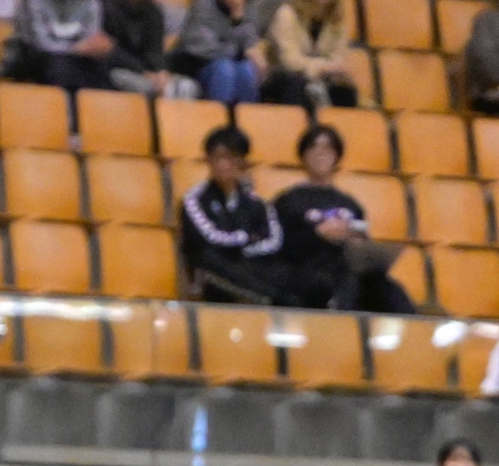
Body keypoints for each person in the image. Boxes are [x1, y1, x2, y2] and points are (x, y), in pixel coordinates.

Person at [273, 126, 412, 312]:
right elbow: (281, 247)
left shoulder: (349, 203)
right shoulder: (288, 200)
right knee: (341, 283)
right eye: (314, 147)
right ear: (303, 155)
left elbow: (361, 236)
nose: (321, 154)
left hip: (348, 266)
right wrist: (318, 234)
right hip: (309, 270)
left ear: (336, 156)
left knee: (388, 289)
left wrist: (359, 242)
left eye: (328, 148)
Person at [178, 127, 286, 304]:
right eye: (217, 158)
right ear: (208, 160)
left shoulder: (256, 204)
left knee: (284, 269)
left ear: (242, 162)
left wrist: (240, 249)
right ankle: (272, 298)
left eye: (230, 157)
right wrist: (246, 238)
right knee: (212, 259)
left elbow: (273, 241)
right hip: (212, 277)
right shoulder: (195, 200)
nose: (223, 165)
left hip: (248, 267)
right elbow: (208, 241)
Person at [4, 0, 118, 91]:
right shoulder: (33, 3)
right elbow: (40, 42)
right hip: (33, 56)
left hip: (76, 58)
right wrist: (75, 49)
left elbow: (91, 37)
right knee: (60, 67)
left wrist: (92, 47)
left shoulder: (91, 3)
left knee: (101, 69)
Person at [262, 0, 358, 109]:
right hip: (285, 76)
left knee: (344, 90)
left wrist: (329, 67)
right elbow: (289, 60)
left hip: (323, 76)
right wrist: (323, 66)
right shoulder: (287, 14)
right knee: (295, 83)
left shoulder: (337, 17)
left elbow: (339, 56)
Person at [170, 0, 266, 106]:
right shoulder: (204, 5)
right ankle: (217, 114)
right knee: (224, 69)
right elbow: (204, 47)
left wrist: (238, 20)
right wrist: (239, 51)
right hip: (197, 64)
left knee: (247, 69)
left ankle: (245, 115)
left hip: (231, 62)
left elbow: (249, 42)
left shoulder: (247, 7)